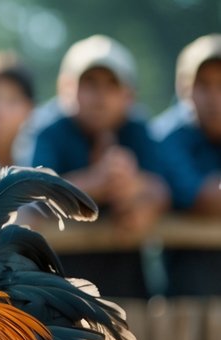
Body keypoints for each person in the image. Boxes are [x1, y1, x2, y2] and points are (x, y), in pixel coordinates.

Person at [31, 34, 172, 299]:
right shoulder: (47, 131)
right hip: (59, 290)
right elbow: (33, 195)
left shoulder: (137, 129)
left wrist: (140, 197)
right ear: (66, 88)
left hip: (126, 285)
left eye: (111, 86)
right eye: (90, 84)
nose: (100, 97)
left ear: (129, 95)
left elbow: (163, 188)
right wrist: (97, 183)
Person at [157, 34, 221, 296]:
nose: (214, 97)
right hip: (187, 297)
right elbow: (203, 198)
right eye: (203, 84)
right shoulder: (167, 137)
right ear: (183, 87)